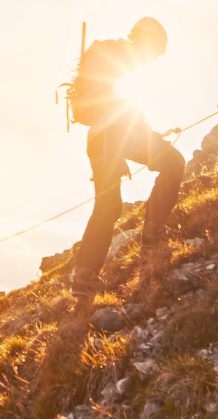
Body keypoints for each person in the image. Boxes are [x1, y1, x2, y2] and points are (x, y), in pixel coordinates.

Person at [67, 17, 185, 302]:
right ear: (147, 40)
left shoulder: (115, 54)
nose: (156, 58)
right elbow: (120, 104)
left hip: (101, 138)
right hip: (114, 136)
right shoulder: (127, 56)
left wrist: (145, 132)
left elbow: (117, 102)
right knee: (173, 163)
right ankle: (152, 237)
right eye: (156, 50)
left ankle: (84, 278)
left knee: (107, 206)